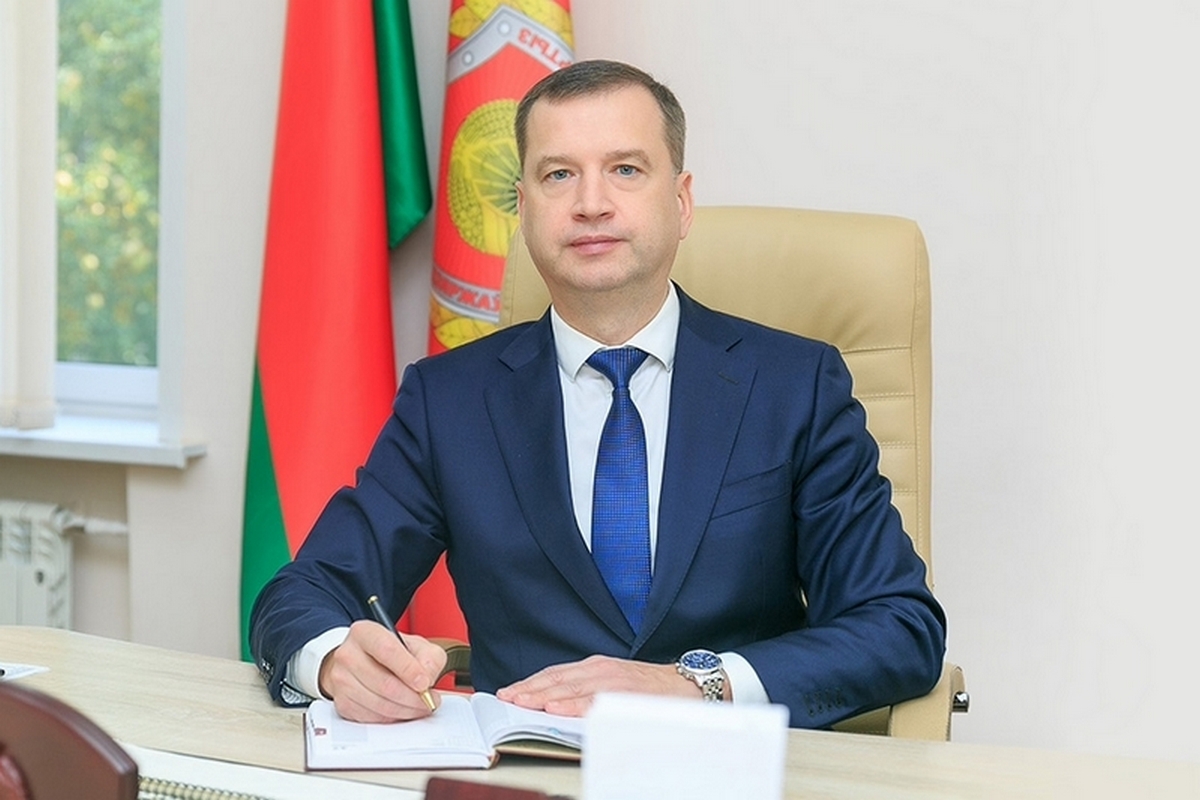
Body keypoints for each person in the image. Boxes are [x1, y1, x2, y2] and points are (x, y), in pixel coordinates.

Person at [249, 59, 946, 729]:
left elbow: (899, 625)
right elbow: (302, 592)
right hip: (525, 773)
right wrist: (335, 661)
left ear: (681, 202)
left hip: (734, 771)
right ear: (524, 209)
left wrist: (692, 684)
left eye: (626, 170)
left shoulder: (795, 386)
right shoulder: (449, 401)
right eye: (559, 175)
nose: (590, 204)